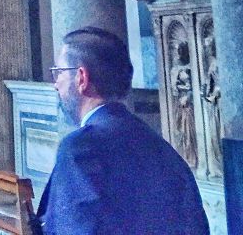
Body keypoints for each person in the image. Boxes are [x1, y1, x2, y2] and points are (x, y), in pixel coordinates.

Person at [39, 26, 209, 234]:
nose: (56, 84)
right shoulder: (162, 148)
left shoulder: (81, 148)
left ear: (81, 78)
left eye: (59, 72)